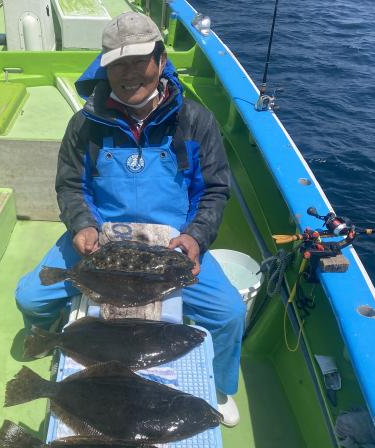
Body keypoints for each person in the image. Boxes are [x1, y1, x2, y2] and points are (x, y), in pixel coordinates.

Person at [15, 12, 245, 426]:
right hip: (100, 240)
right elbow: (71, 187)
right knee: (29, 297)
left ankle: (219, 386)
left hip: (171, 247)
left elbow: (213, 191)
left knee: (229, 313)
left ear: (161, 60)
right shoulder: (84, 124)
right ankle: (60, 340)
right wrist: (83, 225)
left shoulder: (196, 121)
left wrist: (195, 237)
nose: (128, 74)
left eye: (139, 61)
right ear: (104, 68)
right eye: (117, 64)